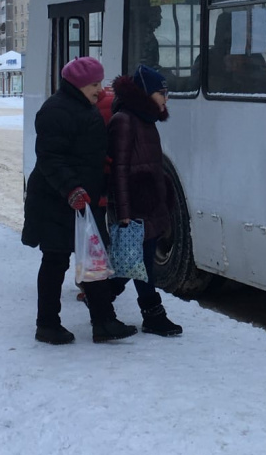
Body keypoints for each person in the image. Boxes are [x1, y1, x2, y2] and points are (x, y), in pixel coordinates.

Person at [22, 56, 137, 345]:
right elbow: (50, 157)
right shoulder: (55, 110)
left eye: (100, 83)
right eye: (94, 84)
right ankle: (47, 324)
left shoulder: (83, 107)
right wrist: (71, 188)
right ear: (78, 84)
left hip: (82, 201)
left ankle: (104, 321)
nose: (100, 89)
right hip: (56, 200)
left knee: (93, 259)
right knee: (55, 261)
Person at [107, 65, 183, 336]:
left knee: (135, 262)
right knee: (140, 262)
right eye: (161, 93)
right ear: (146, 93)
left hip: (149, 202)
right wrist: (124, 213)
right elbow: (119, 170)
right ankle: (153, 315)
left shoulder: (146, 119)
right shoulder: (125, 120)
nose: (166, 98)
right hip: (135, 206)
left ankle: (101, 299)